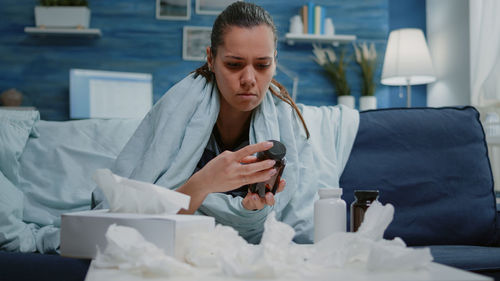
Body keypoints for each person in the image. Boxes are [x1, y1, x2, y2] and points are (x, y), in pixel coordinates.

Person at [93, 2, 359, 244]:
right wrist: (204, 183)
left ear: (275, 61)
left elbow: (289, 226)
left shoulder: (285, 121)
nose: (249, 79)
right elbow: (132, 222)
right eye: (234, 64)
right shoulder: (178, 107)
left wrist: (252, 213)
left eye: (263, 65)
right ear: (211, 58)